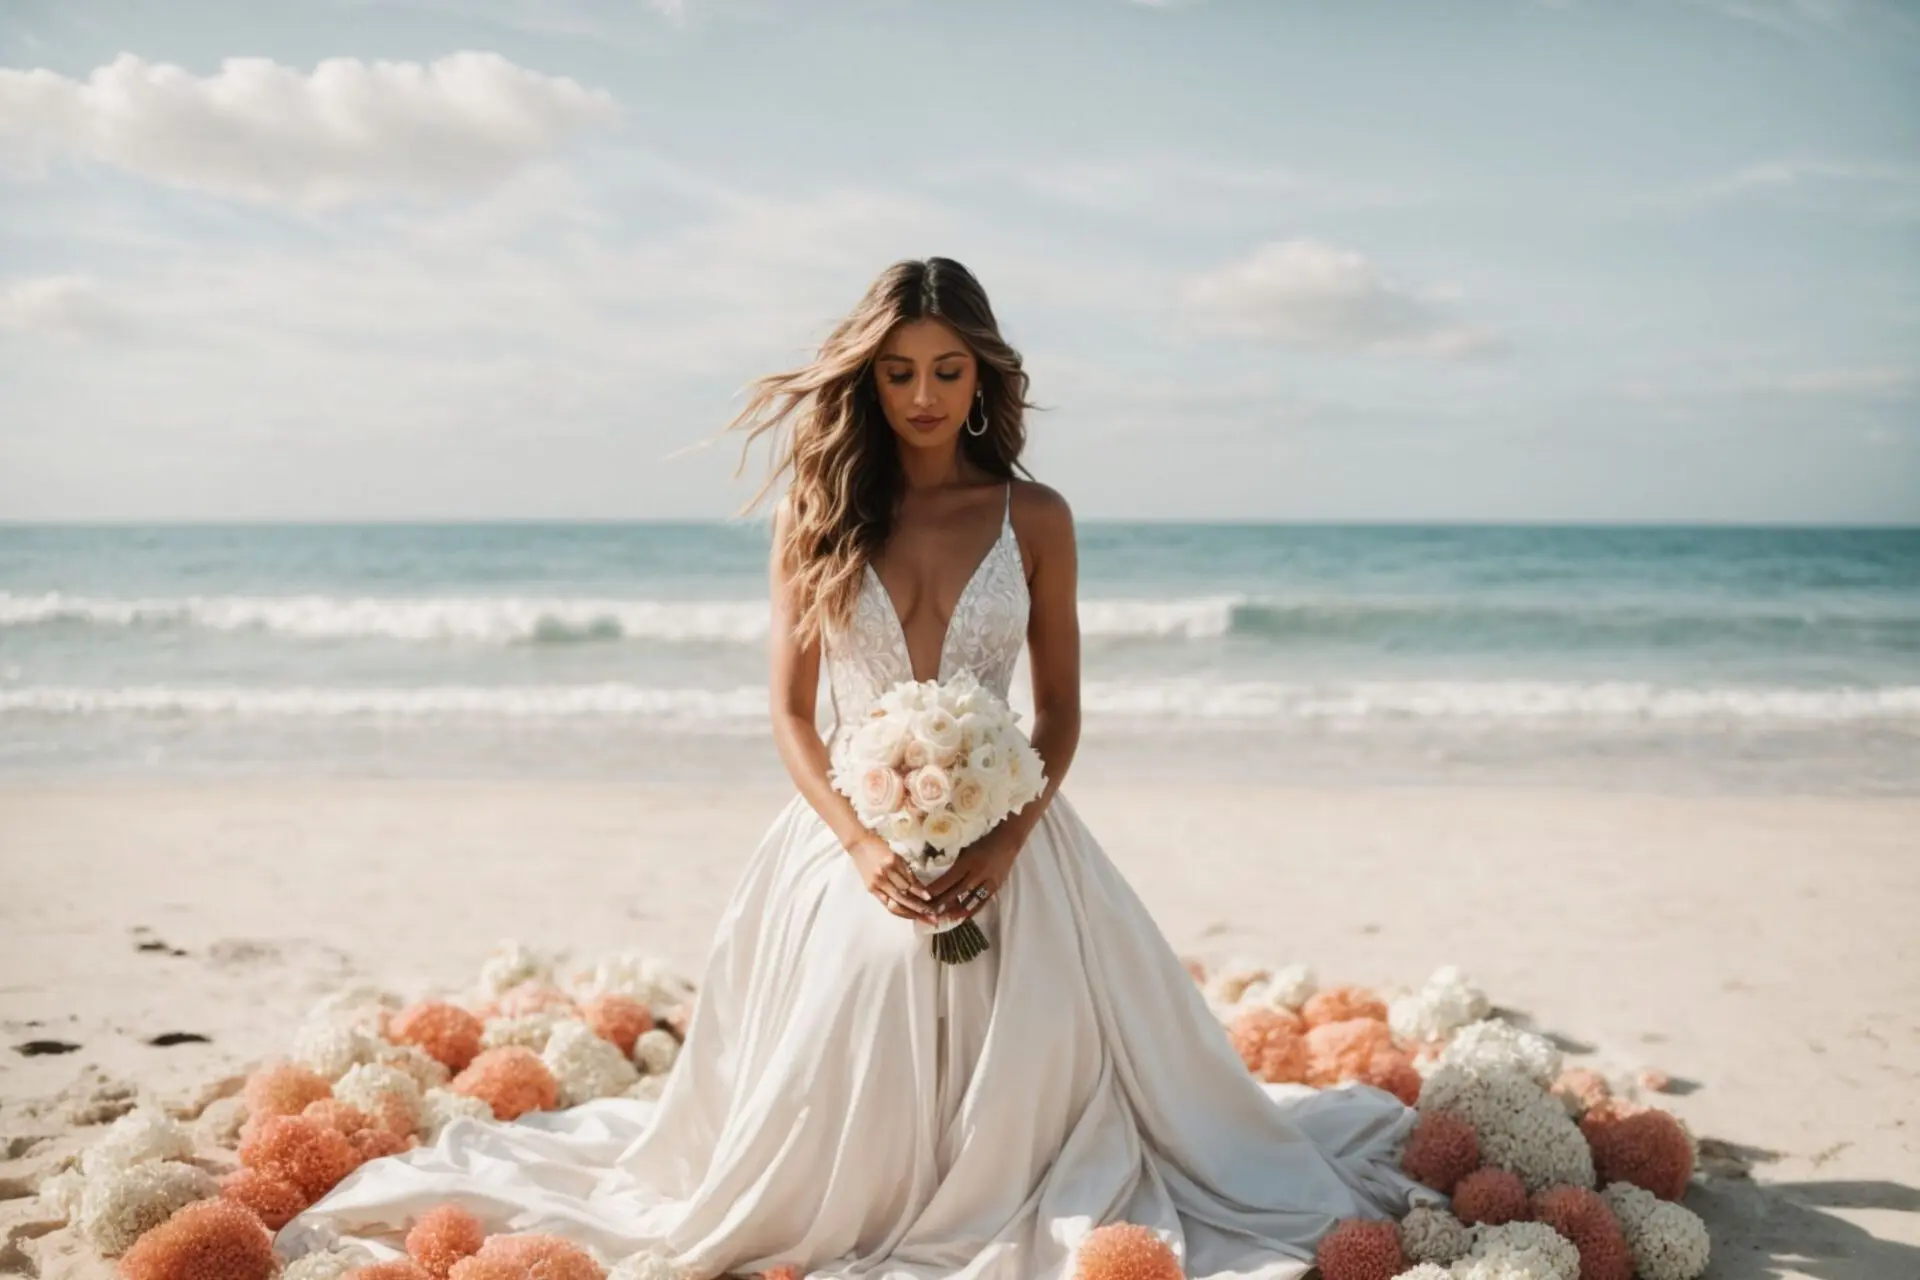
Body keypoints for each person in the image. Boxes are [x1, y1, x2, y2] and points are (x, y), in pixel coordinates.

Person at [274, 257, 1443, 1280]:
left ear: (985, 374)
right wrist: (866, 841)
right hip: (847, 835)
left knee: (1051, 1062)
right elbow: (789, 713)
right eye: (899, 371)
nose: (925, 395)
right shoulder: (819, 512)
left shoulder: (1035, 515)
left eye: (947, 368)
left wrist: (1001, 834)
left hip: (1015, 836)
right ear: (867, 380)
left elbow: (1065, 708)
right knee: (874, 980)